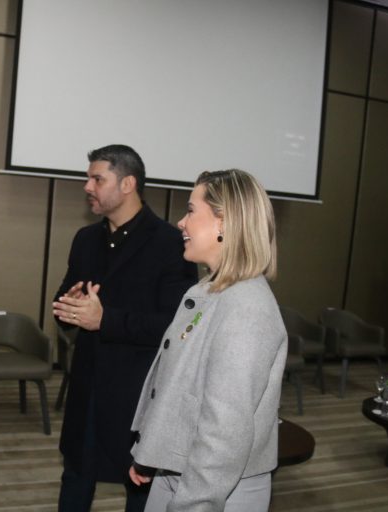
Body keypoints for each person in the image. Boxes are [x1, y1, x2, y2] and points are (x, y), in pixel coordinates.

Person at [128, 169, 287, 512]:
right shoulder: (207, 291)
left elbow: (224, 432)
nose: (180, 222)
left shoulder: (247, 307)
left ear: (225, 222)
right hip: (178, 472)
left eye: (190, 210)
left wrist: (193, 504)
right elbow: (179, 385)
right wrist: (150, 450)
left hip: (214, 491)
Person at [52, 144, 198, 512]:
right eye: (88, 178)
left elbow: (175, 327)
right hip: (87, 391)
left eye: (97, 178)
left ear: (128, 183)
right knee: (75, 480)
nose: (87, 186)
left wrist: (105, 320)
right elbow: (61, 305)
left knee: (139, 489)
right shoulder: (86, 240)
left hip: (139, 396)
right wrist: (68, 305)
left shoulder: (170, 243)